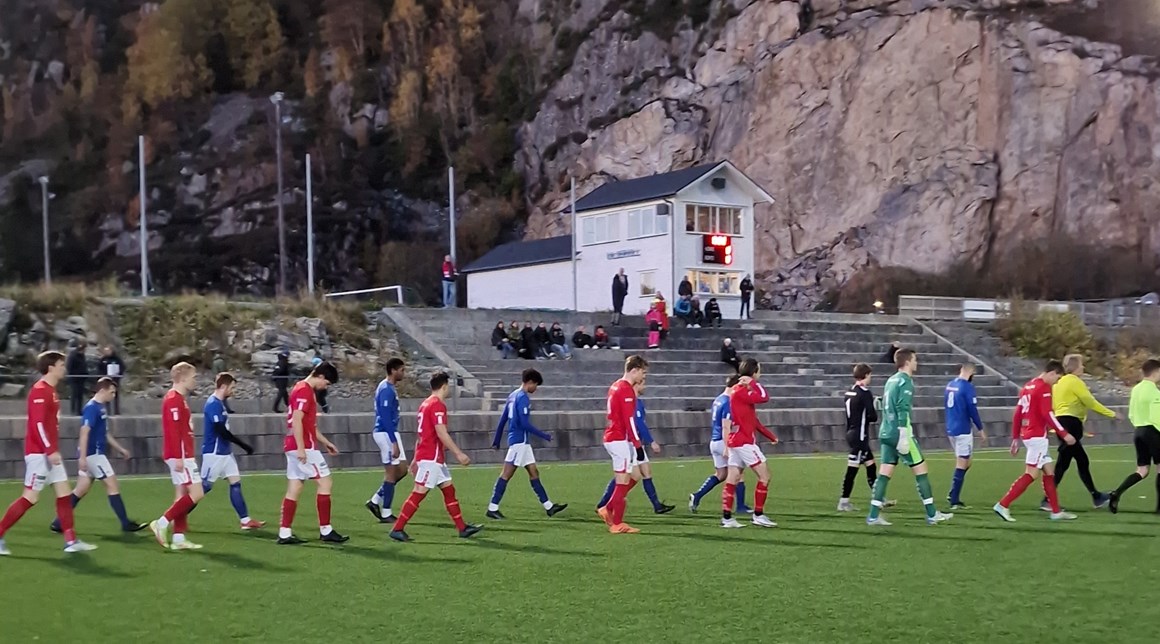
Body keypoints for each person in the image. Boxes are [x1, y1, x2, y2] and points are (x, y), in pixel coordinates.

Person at [0, 351, 98, 555]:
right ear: (51, 367)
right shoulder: (40, 391)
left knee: (64, 494)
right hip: (39, 454)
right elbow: (38, 425)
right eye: (61, 365)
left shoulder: (51, 391)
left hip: (49, 453)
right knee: (30, 497)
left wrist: (52, 450)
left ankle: (71, 541)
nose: (64, 368)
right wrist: (50, 450)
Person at [389, 372, 483, 541]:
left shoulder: (424, 404)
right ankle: (397, 528)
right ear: (444, 386)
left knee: (449, 490)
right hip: (431, 458)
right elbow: (441, 433)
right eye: (448, 387)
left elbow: (421, 435)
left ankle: (462, 528)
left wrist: (415, 458)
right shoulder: (437, 405)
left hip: (432, 457)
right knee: (419, 492)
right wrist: (458, 453)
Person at [865, 350, 954, 526]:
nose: (916, 363)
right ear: (907, 362)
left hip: (886, 432)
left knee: (884, 473)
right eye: (914, 359)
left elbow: (882, 403)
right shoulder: (905, 381)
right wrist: (904, 434)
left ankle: (873, 516)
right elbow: (902, 407)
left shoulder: (891, 380)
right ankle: (932, 514)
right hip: (899, 432)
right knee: (921, 470)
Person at [51, 377, 147, 534]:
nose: (113, 396)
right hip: (93, 455)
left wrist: (120, 449)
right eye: (112, 392)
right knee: (112, 485)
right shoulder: (91, 408)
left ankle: (58, 522)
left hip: (93, 455)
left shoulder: (100, 408)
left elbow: (104, 433)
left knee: (80, 489)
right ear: (102, 390)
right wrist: (83, 457)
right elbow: (84, 432)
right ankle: (125, 523)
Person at [993, 360, 1077, 522]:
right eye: (1057, 378)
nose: (1056, 382)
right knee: (1031, 474)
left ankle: (1056, 511)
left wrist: (1015, 437)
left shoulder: (1028, 387)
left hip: (1028, 434)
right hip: (1037, 436)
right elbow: (1048, 414)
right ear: (1052, 373)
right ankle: (1003, 504)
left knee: (1049, 472)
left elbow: (1018, 413)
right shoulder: (1043, 388)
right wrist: (1064, 433)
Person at [277, 361, 348, 544]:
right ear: (321, 376)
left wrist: (326, 443)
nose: (326, 387)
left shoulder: (300, 388)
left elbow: (309, 425)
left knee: (295, 487)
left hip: (293, 445)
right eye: (327, 383)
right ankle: (326, 530)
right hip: (303, 446)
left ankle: (284, 533)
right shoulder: (304, 390)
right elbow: (297, 420)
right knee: (325, 482)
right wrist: (302, 448)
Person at [487, 369, 568, 520]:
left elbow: (503, 419)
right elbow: (524, 424)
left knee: (534, 472)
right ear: (530, 382)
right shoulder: (523, 397)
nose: (535, 388)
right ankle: (492, 508)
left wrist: (497, 440)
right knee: (506, 475)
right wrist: (544, 435)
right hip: (519, 442)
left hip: (521, 443)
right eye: (535, 385)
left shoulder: (512, 395)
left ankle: (549, 507)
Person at [149, 362, 206, 550]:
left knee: (181, 495)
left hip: (183, 454)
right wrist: (180, 457)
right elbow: (174, 432)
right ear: (182, 378)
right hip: (180, 455)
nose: (195, 381)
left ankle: (179, 538)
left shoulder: (179, 399)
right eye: (193, 377)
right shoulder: (173, 399)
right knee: (197, 493)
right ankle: (162, 522)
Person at [596, 378, 675, 515]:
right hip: (631, 443)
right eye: (643, 383)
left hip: (635, 442)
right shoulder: (633, 402)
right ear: (636, 385)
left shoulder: (637, 401)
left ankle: (656, 505)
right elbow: (638, 424)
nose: (645, 386)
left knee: (644, 473)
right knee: (628, 476)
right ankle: (605, 504)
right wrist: (651, 441)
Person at [1046, 354, 1115, 510]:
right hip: (1071, 423)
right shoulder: (1074, 381)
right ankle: (1048, 499)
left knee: (1077, 461)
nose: (1083, 367)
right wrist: (1112, 414)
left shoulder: (1058, 383)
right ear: (1075, 367)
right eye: (1081, 364)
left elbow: (1054, 406)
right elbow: (1090, 402)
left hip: (1062, 422)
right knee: (1066, 462)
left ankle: (1096, 496)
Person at [200, 373, 264, 531]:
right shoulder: (213, 404)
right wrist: (243, 445)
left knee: (235, 483)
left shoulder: (220, 403)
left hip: (225, 452)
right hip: (214, 453)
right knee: (202, 489)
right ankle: (175, 517)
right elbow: (221, 431)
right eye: (232, 387)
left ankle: (245, 520)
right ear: (223, 386)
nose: (233, 391)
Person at [721, 359, 779, 528]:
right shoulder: (741, 391)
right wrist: (753, 383)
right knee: (765, 476)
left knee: (733, 478)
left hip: (737, 441)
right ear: (754, 372)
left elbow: (753, 420)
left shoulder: (739, 390)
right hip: (744, 442)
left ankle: (727, 518)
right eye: (759, 370)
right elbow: (764, 397)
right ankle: (758, 515)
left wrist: (770, 436)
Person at [596, 355, 648, 534]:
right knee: (623, 481)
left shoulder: (615, 385)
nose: (643, 377)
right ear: (634, 370)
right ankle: (617, 522)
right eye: (642, 372)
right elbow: (629, 420)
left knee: (635, 475)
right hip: (618, 439)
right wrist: (637, 444)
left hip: (616, 438)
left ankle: (608, 508)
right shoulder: (625, 389)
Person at [688, 375, 750, 513]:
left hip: (714, 442)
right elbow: (725, 426)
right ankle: (740, 506)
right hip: (723, 441)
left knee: (721, 474)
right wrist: (728, 446)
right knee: (738, 472)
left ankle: (697, 495)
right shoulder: (728, 402)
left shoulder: (718, 399)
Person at [1108, 359, 1160, 513]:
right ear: (1156, 372)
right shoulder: (1154, 392)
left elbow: (1131, 413)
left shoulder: (1136, 389)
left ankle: (1117, 493)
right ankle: (1159, 508)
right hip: (1153, 431)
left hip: (1139, 431)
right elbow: (1156, 417)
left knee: (1142, 470)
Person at [367, 358, 409, 522]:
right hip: (385, 433)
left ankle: (375, 499)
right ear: (393, 370)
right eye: (401, 370)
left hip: (390, 432)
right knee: (391, 472)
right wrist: (393, 441)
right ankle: (386, 512)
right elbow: (384, 417)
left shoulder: (389, 388)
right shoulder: (386, 389)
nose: (403, 373)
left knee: (402, 470)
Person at [838, 363, 882, 512]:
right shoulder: (865, 393)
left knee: (871, 465)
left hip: (850, 433)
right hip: (860, 436)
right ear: (866, 375)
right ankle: (843, 501)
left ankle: (878, 498)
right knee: (852, 469)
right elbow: (872, 416)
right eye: (870, 375)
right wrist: (875, 405)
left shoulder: (849, 392)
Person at [945, 364, 985, 510]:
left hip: (951, 428)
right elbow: (972, 409)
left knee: (966, 461)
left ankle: (953, 493)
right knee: (962, 463)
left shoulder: (950, 385)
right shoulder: (967, 387)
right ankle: (954, 499)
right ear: (971, 372)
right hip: (962, 429)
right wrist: (980, 428)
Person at [98, 345, 125, 416]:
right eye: (106, 351)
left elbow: (122, 367)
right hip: (106, 380)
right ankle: (108, 411)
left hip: (115, 379)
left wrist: (119, 374)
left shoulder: (117, 359)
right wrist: (102, 375)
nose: (107, 352)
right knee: (106, 395)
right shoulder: (103, 359)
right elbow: (99, 368)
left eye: (108, 350)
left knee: (115, 395)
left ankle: (116, 410)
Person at [67, 341, 88, 416]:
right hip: (74, 378)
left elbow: (84, 365)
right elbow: (69, 367)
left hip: (81, 378)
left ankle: (79, 410)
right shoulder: (73, 356)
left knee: (80, 395)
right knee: (74, 394)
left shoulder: (82, 356)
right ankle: (73, 410)